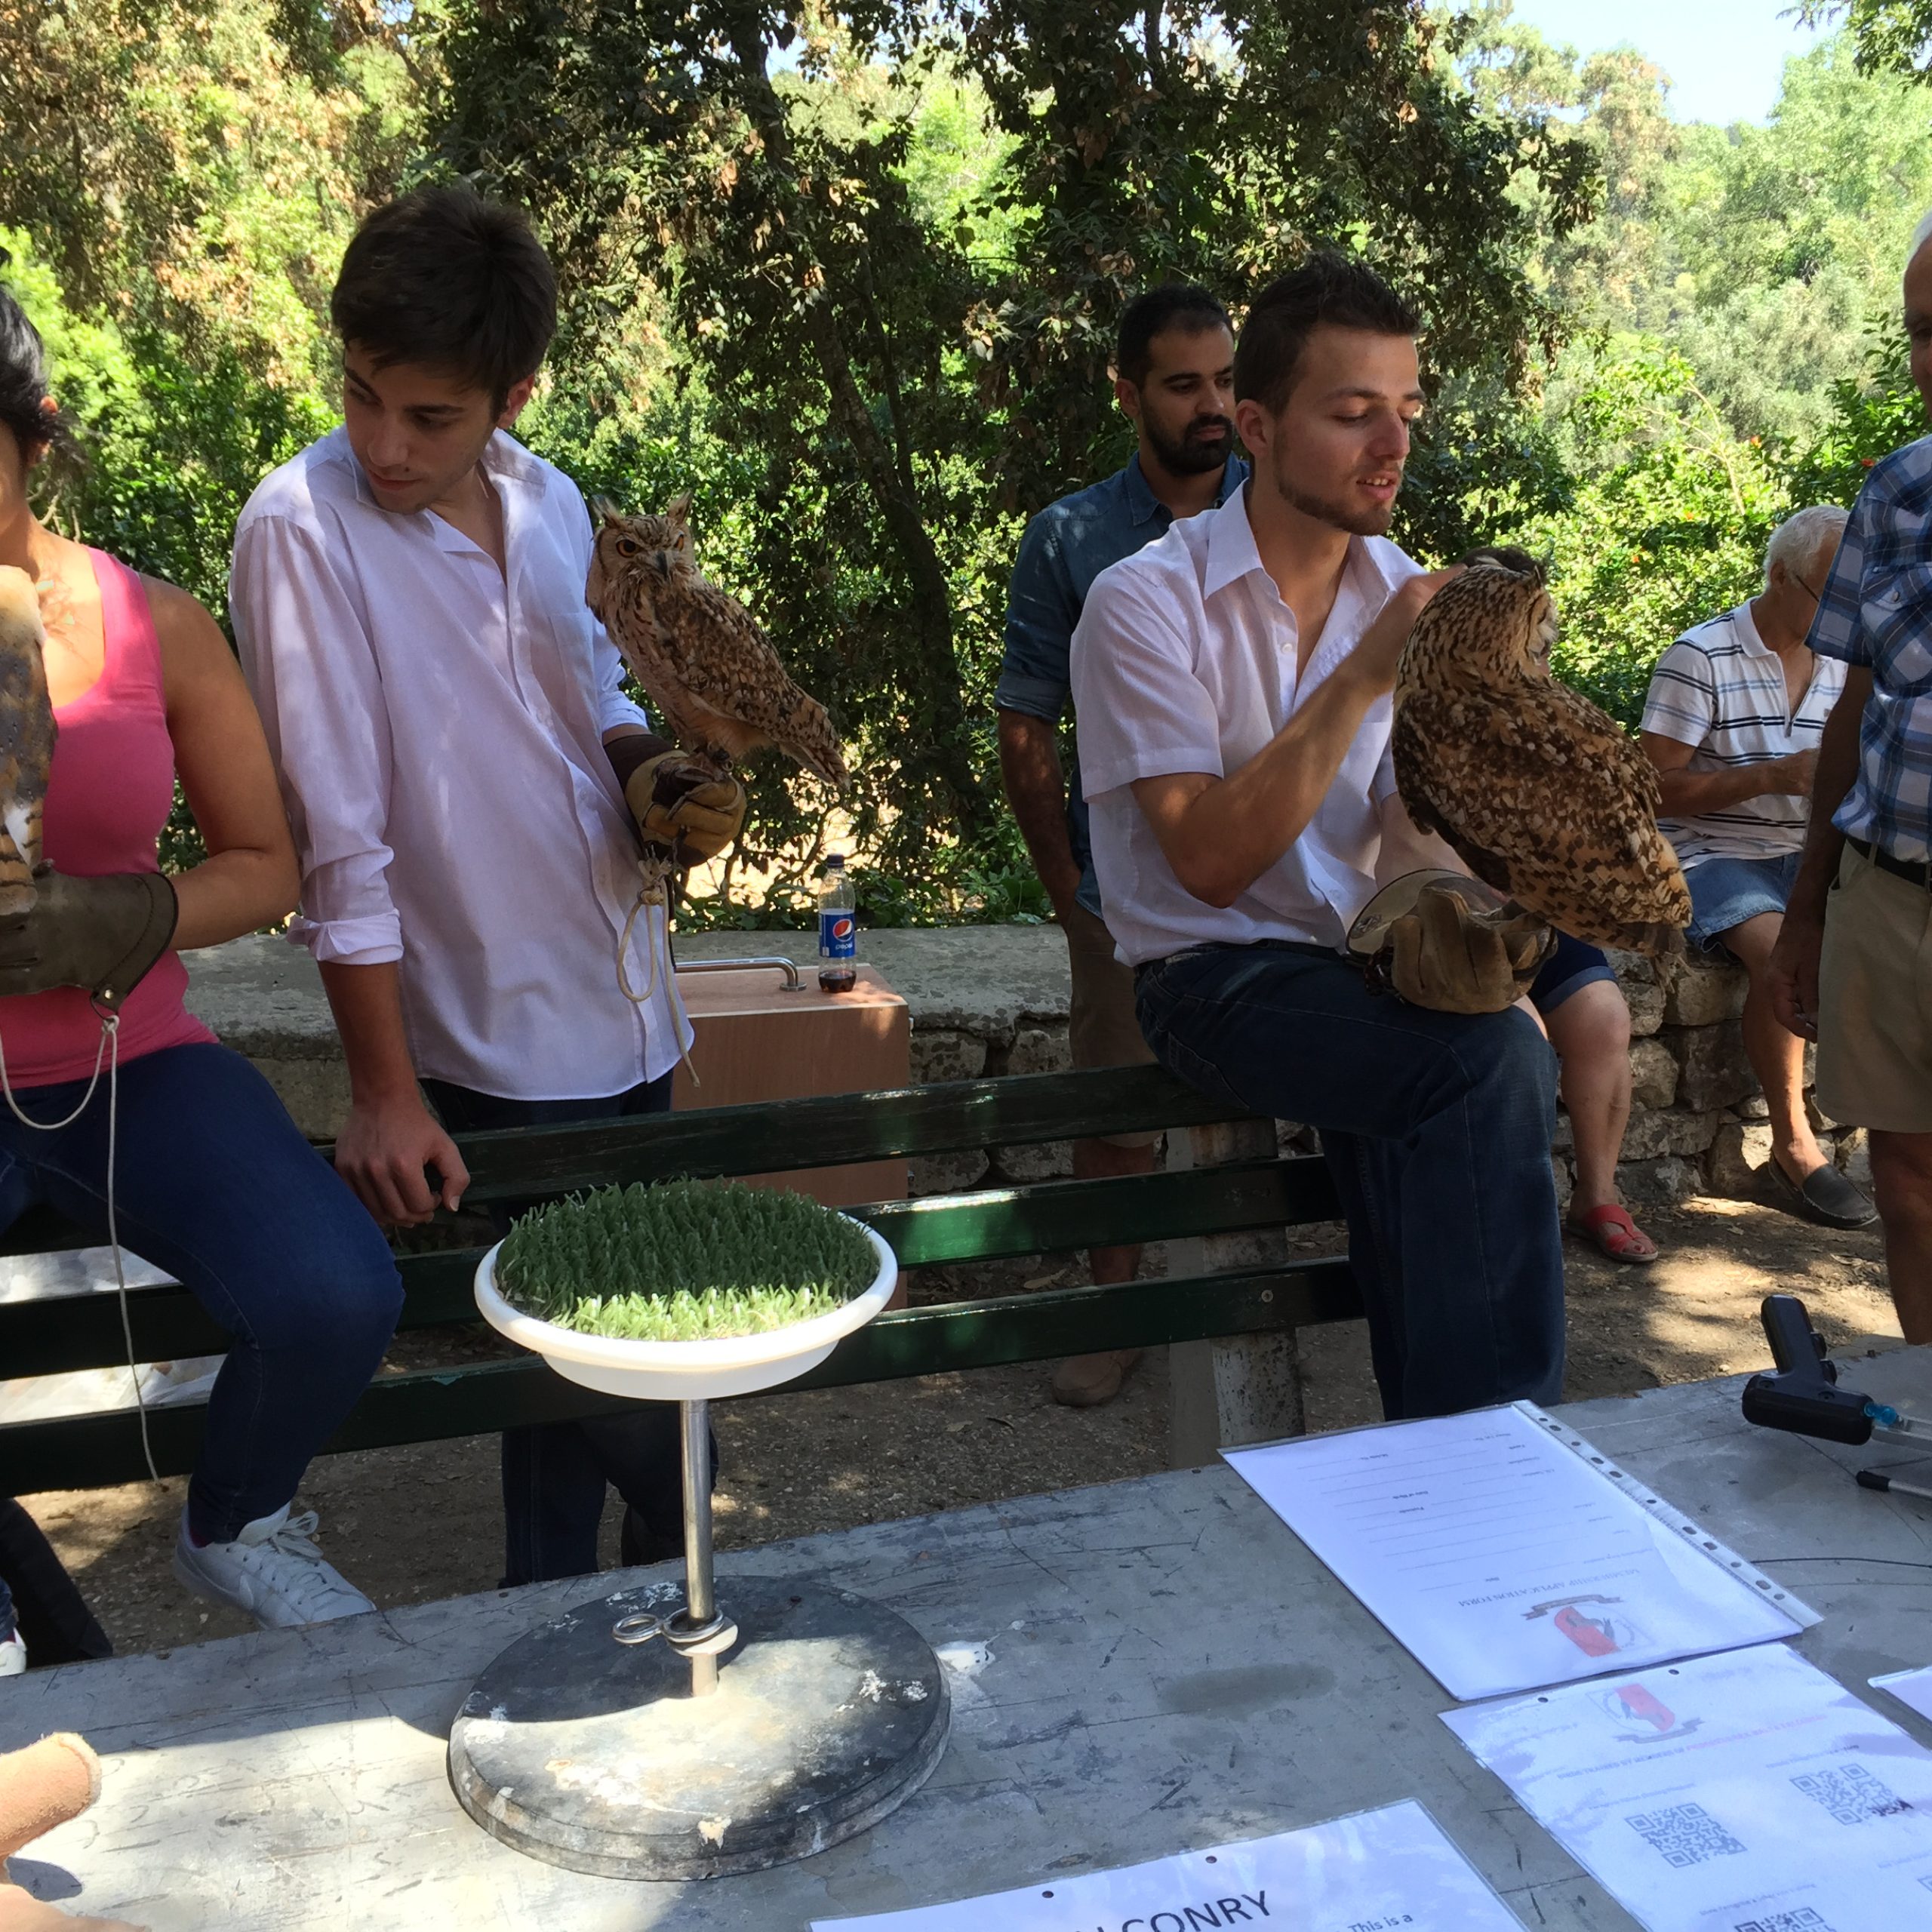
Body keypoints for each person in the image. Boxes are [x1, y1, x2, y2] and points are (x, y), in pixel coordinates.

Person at [231, 187, 744, 1585]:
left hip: (628, 1000)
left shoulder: (551, 498)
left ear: (513, 397)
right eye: (361, 394)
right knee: (631, 1397)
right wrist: (383, 1090)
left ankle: (566, 1619)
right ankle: (675, 1586)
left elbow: (597, 698)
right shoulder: (302, 527)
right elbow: (336, 835)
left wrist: (652, 774)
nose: (384, 444)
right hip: (487, 1027)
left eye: (430, 416)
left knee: (575, 1389)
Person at [1070, 254, 1565, 1421]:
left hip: (1364, 961)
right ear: (1256, 427)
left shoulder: (1407, 592)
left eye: (1408, 411)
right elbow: (1206, 862)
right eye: (1353, 414)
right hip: (1208, 975)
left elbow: (1412, 831)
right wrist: (1364, 671)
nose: (1393, 446)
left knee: (1484, 1045)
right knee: (1480, 1070)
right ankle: (1497, 1458)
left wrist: (1483, 937)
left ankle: (1442, 1451)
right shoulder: (1144, 603)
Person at [0, 285, 401, 1629]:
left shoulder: (153, 623)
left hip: (130, 1057)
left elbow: (268, 864)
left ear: (37, 435)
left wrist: (132, 917)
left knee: (333, 1290)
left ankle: (238, 1520)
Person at [997, 285, 1247, 1408]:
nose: (1211, 406)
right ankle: (1113, 1317)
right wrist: (1068, 893)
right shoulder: (1071, 538)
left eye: (1226, 380)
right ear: (1127, 393)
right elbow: (1025, 723)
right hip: (1123, 892)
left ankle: (1262, 1310)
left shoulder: (1287, 511)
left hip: (1277, 880)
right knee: (1116, 1114)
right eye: (1183, 385)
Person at [1768, 216, 1932, 1343]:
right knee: (1909, 1188)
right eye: (1921, 331)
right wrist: (1805, 914)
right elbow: (1855, 710)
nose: (1930, 360)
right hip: (1887, 893)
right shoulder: (1897, 493)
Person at [1641, 506, 1874, 1229]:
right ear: (1778, 576)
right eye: (1831, 594)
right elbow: (1649, 791)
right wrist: (1769, 776)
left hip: (1811, 853)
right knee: (1782, 954)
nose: (1845, 612)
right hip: (1711, 851)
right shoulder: (1700, 657)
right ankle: (1794, 1145)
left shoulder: (1847, 662)